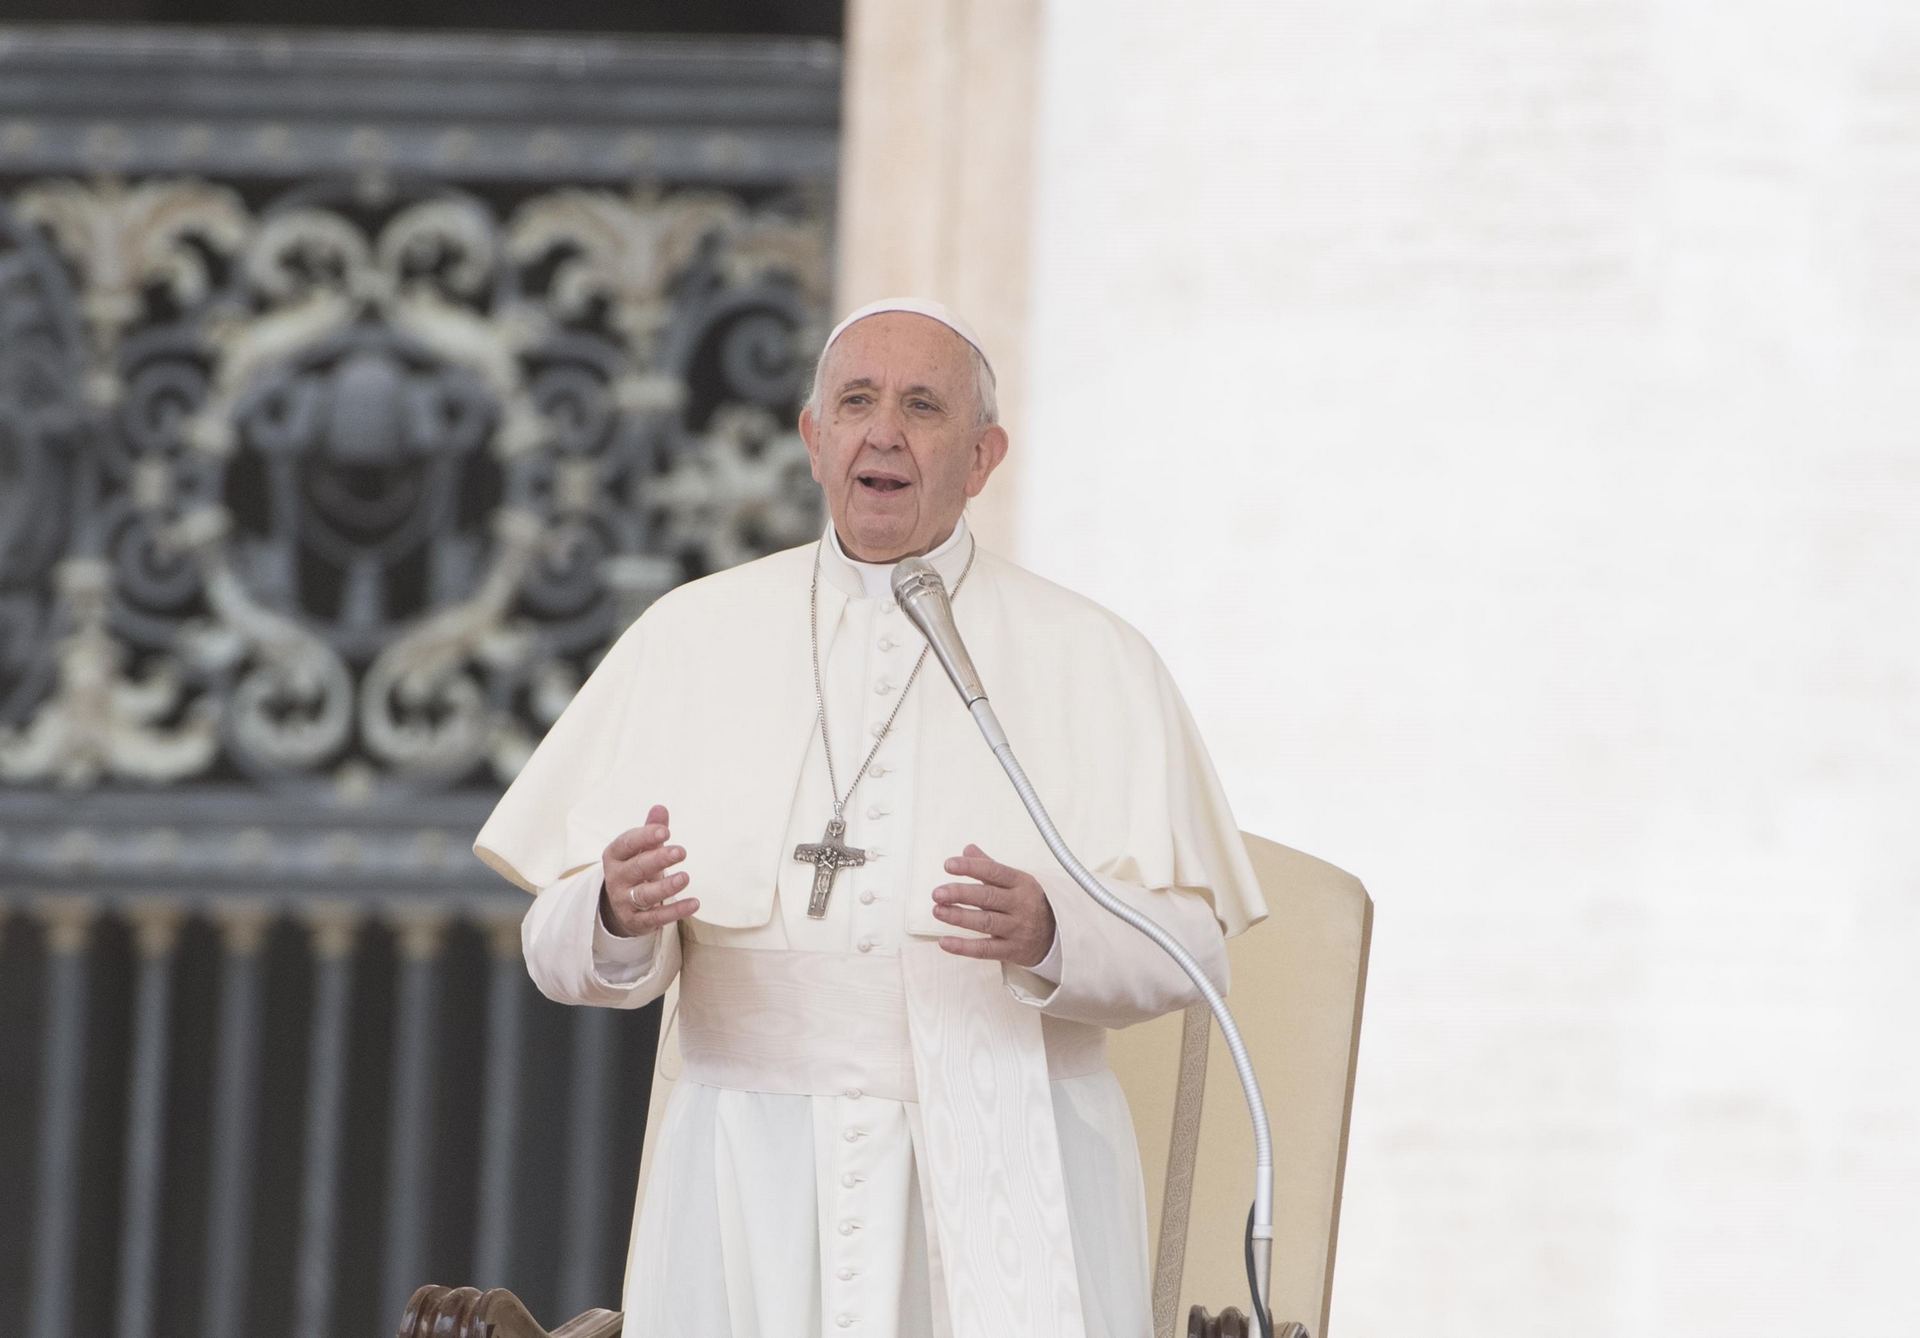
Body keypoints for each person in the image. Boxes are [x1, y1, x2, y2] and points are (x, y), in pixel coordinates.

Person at [475, 298, 1267, 1338]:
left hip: (1009, 1154)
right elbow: (552, 948)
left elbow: (1196, 948)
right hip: (740, 1171)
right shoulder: (690, 637)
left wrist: (1055, 932)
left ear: (982, 458)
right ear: (814, 440)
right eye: (857, 401)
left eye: (923, 407)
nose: (883, 431)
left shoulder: (1093, 657)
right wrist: (614, 917)